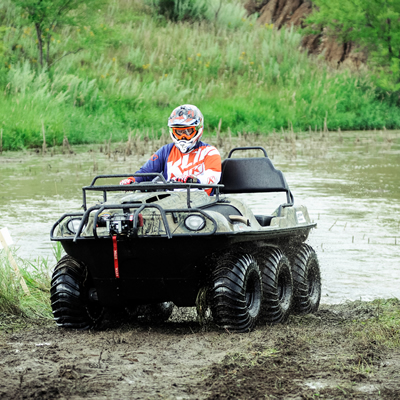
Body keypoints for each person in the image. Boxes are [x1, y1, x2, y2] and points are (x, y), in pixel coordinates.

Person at [120, 104, 221, 196]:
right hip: (170, 202)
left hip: (202, 202)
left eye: (188, 131)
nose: (183, 137)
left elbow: (213, 178)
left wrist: (193, 180)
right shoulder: (165, 151)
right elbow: (146, 173)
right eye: (179, 132)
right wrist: (131, 180)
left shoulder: (210, 152)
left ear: (198, 129)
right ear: (173, 131)